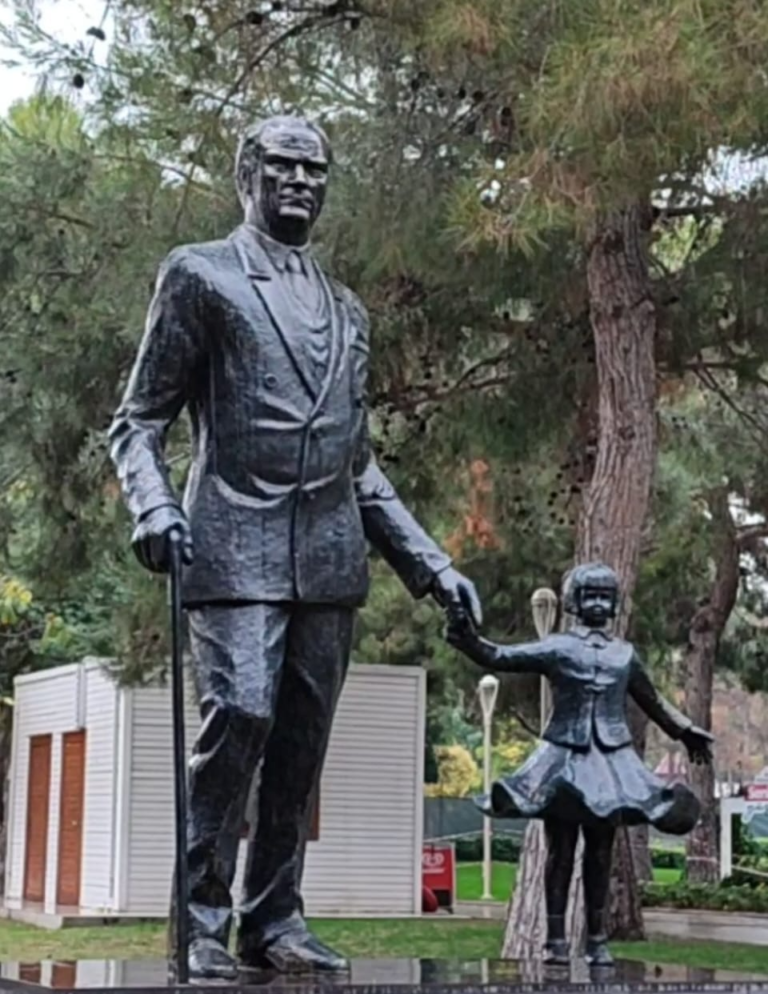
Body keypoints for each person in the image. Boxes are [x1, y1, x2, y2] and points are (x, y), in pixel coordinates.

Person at [109, 115, 481, 981]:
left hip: (328, 557)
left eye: (315, 171)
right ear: (247, 173)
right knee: (239, 716)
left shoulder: (348, 311)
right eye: (283, 167)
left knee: (301, 749)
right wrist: (154, 505)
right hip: (230, 542)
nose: (301, 183)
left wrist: (433, 565)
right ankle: (200, 921)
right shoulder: (199, 275)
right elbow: (138, 420)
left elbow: (361, 468)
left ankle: (273, 916)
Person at [446, 562, 712, 967]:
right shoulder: (559, 647)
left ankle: (597, 938)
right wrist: (468, 640)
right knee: (561, 850)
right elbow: (502, 656)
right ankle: (555, 939)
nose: (599, 604)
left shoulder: (624, 655)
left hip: (610, 762)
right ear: (574, 602)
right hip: (563, 760)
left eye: (606, 597)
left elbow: (653, 702)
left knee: (601, 851)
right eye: (590, 596)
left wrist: (686, 730)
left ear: (616, 604)